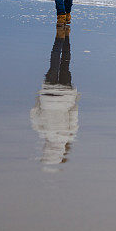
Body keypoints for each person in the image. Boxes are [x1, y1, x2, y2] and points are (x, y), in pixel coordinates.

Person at [30, 26, 79, 169]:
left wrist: (74, 96)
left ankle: (65, 39)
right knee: (54, 64)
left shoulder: (69, 136)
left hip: (65, 95)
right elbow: (34, 112)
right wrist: (39, 98)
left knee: (65, 65)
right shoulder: (42, 131)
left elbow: (74, 114)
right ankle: (62, 39)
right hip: (48, 94)